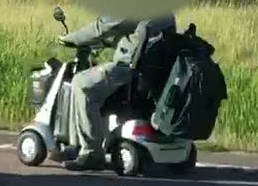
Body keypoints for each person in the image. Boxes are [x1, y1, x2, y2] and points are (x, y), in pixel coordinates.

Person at [58, 13, 176, 170]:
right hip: (154, 72)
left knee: (82, 83)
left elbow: (102, 28)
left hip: (128, 70)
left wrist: (68, 38)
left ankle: (92, 153)